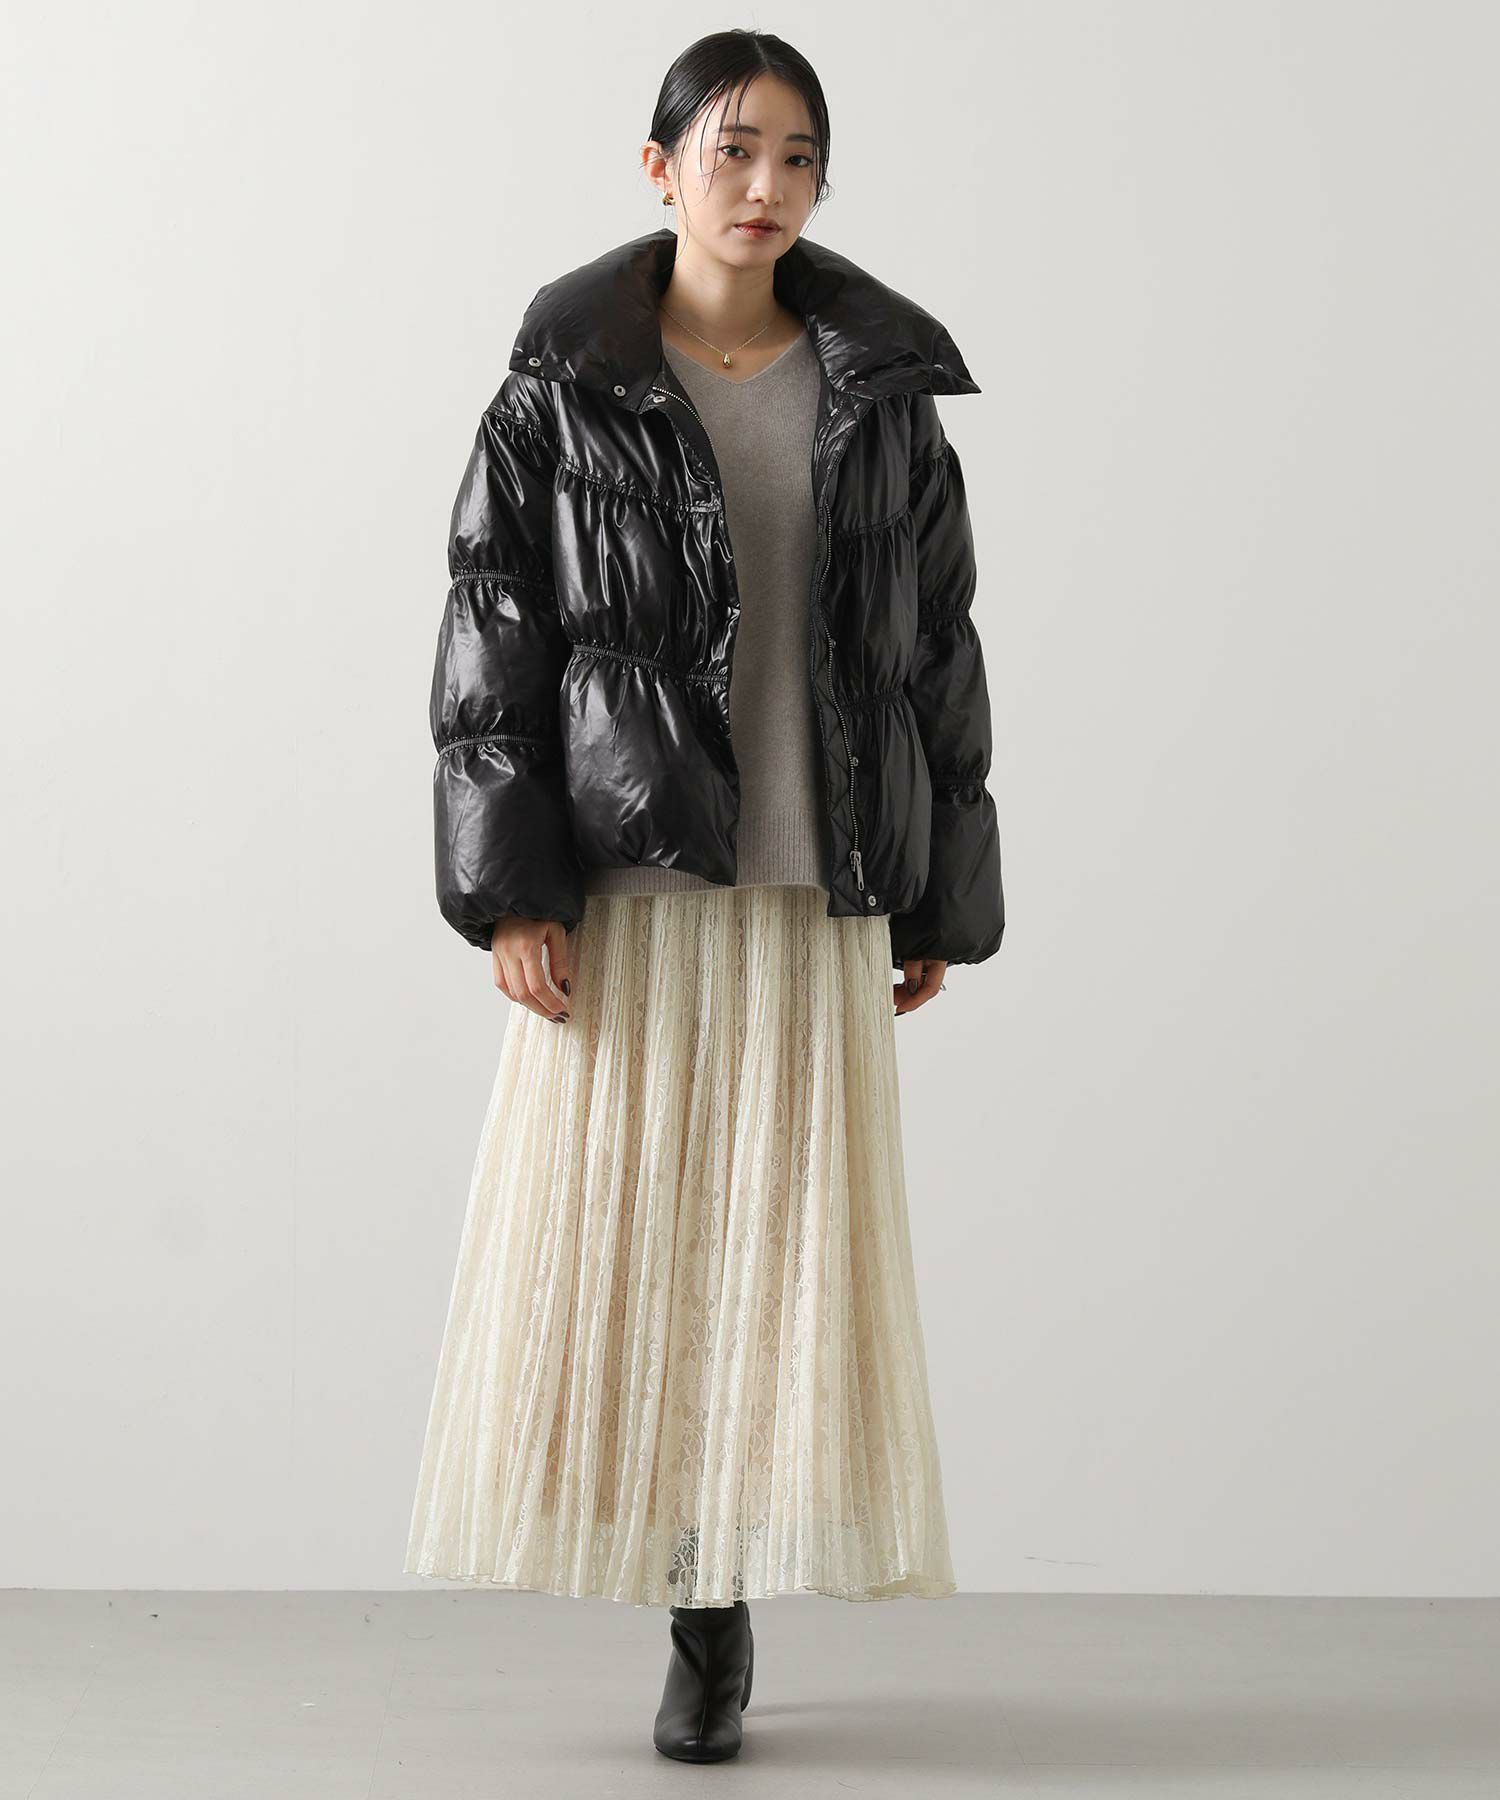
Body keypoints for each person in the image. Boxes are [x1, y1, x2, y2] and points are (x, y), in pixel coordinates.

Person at [403, 28, 1005, 1765]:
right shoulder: (561, 385)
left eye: (797, 157)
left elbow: (938, 648)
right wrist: (514, 892)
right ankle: (694, 1602)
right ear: (659, 166)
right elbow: (493, 638)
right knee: (645, 1250)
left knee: (780, 1249)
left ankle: (720, 1597)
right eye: (732, 150)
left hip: (818, 877)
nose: (765, 186)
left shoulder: (878, 390)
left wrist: (934, 899)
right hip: (640, 877)